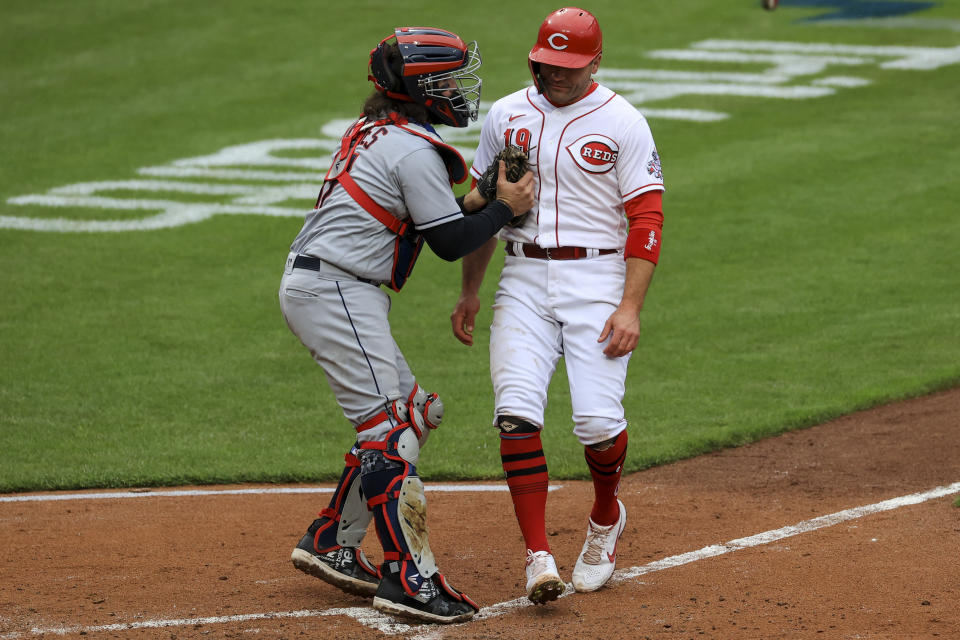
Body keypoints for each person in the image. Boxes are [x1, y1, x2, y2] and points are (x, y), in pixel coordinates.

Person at [280, 26, 534, 624]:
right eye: (448, 80)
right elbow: (448, 243)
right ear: (423, 88)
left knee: (418, 413)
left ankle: (331, 542)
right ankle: (410, 579)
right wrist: (504, 208)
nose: (459, 90)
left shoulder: (381, 131)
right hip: (336, 289)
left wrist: (479, 203)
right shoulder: (416, 148)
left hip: (334, 286)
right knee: (390, 429)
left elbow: (428, 218)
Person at [451, 7, 665, 604]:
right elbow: (487, 206)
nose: (558, 75)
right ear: (534, 58)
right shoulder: (506, 114)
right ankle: (538, 556)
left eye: (570, 66)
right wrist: (470, 290)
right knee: (516, 412)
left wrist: (630, 307)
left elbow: (646, 216)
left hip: (598, 279)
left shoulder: (623, 121)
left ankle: (604, 521)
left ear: (595, 63)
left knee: (598, 425)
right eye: (549, 64)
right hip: (522, 277)